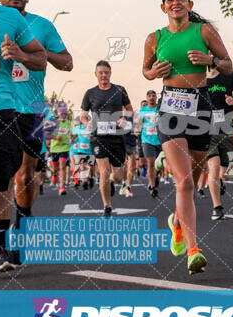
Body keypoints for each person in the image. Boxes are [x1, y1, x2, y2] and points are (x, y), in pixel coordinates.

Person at [142, 0, 232, 274]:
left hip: (200, 105)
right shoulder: (154, 38)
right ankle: (194, 250)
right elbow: (145, 71)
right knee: (185, 183)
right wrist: (153, 73)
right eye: (170, 0)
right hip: (170, 107)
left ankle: (177, 222)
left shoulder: (203, 32)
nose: (176, 3)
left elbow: (228, 65)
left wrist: (211, 61)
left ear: (190, 5)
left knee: (192, 182)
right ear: (163, 7)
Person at [0, 0, 72, 229]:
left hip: (34, 110)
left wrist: (33, 53)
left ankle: (24, 220)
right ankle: (7, 237)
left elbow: (67, 63)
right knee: (8, 174)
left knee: (26, 176)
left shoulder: (42, 25)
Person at [0, 0, 46, 274]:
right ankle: (6, 251)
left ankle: (19, 222)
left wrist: (21, 56)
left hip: (10, 112)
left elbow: (44, 58)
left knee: (1, 197)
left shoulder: (11, 20)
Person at [81, 60, 133, 216]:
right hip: (99, 137)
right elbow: (83, 115)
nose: (103, 75)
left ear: (110, 73)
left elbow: (129, 109)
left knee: (117, 176)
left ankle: (110, 183)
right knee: (103, 171)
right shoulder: (90, 93)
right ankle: (107, 206)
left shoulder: (119, 90)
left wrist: (124, 118)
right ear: (96, 74)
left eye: (106, 72)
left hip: (116, 137)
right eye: (100, 72)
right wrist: (86, 124)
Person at [206, 64, 233, 219]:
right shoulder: (199, 78)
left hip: (227, 127)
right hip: (206, 128)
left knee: (226, 173)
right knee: (213, 168)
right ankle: (217, 207)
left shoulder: (229, 75)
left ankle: (221, 181)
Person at [138, 90, 162, 197]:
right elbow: (138, 124)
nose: (151, 98)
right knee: (151, 163)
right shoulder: (143, 110)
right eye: (149, 96)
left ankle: (155, 177)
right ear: (147, 98)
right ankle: (152, 187)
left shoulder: (160, 108)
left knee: (160, 164)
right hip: (147, 140)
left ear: (156, 97)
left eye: (153, 96)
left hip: (160, 140)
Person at [50, 104, 71, 195]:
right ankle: (54, 174)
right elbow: (48, 134)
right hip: (54, 148)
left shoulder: (69, 123)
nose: (63, 115)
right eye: (61, 113)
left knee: (62, 167)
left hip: (65, 148)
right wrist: (55, 137)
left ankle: (61, 187)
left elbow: (70, 134)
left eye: (65, 114)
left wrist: (72, 138)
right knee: (55, 168)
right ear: (58, 114)